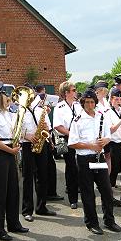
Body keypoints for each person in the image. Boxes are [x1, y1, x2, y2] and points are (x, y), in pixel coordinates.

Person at [68, 90, 121, 235]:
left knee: (106, 190)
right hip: (84, 159)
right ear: (83, 103)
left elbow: (108, 135)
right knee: (88, 193)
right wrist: (90, 146)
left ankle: (109, 221)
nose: (90, 105)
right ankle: (92, 223)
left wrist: (106, 140)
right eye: (87, 102)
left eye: (92, 102)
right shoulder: (77, 120)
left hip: (100, 157)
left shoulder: (101, 116)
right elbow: (72, 143)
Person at [0, 82, 29, 241]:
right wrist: (10, 150)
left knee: (13, 189)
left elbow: (17, 131)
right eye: (5, 94)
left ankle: (13, 223)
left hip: (11, 150)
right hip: (0, 153)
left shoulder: (7, 113)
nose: (8, 97)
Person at [21, 93, 56, 222]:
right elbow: (14, 129)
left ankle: (41, 207)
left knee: (43, 176)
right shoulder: (20, 110)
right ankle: (27, 210)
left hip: (42, 143)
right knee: (28, 178)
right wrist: (27, 135)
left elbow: (49, 127)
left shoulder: (41, 110)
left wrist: (47, 127)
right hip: (27, 144)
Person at [53, 81, 82, 209]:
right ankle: (73, 198)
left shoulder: (78, 105)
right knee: (71, 168)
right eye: (73, 89)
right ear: (66, 93)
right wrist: (72, 134)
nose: (76, 92)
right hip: (67, 139)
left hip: (80, 139)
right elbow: (58, 126)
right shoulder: (59, 107)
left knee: (82, 167)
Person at [34, 84, 64, 201]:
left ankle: (51, 192)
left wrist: (50, 140)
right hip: (41, 140)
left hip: (47, 138)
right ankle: (45, 194)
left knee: (50, 168)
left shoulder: (43, 111)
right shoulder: (38, 111)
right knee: (42, 171)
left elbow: (49, 127)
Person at [105, 88, 121, 205]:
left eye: (120, 99)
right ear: (111, 99)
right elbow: (111, 130)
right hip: (114, 143)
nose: (118, 101)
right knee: (114, 169)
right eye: (116, 99)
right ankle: (111, 195)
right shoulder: (107, 112)